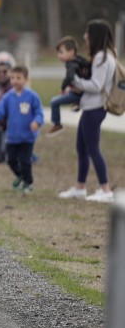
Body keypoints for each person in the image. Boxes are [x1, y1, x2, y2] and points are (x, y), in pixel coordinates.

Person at [58, 19, 117, 203]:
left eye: (87, 33)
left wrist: (74, 80)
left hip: (94, 108)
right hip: (90, 107)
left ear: (95, 36)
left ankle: (105, 189)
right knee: (82, 147)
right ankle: (80, 187)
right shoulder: (105, 55)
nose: (85, 36)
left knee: (92, 149)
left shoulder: (101, 58)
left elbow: (96, 85)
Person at [0, 65, 43, 194]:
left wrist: (36, 121)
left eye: (18, 78)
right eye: (12, 78)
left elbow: (39, 113)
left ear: (26, 79)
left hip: (27, 137)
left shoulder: (32, 96)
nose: (15, 81)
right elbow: (0, 110)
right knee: (11, 160)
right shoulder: (8, 97)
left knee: (25, 161)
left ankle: (28, 183)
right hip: (12, 136)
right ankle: (21, 175)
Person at [45, 36, 90, 137]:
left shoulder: (70, 64)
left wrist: (62, 88)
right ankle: (75, 104)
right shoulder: (80, 59)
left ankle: (57, 124)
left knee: (54, 102)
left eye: (61, 52)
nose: (59, 55)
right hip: (83, 91)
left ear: (71, 52)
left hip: (78, 94)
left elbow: (69, 76)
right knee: (69, 91)